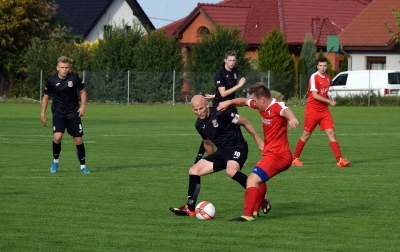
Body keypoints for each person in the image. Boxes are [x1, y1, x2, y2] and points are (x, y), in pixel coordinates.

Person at [170, 95, 266, 217]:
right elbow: (207, 143)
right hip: (222, 152)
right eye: (196, 110)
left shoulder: (221, 113)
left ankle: (261, 197)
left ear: (207, 104)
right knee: (194, 170)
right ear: (191, 109)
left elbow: (245, 122)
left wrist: (259, 141)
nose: (199, 112)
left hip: (238, 147)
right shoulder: (199, 124)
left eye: (201, 108)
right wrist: (211, 161)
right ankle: (190, 208)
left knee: (231, 171)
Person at [217, 82, 299, 222]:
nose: (253, 103)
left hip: (279, 155)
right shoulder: (260, 105)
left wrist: (292, 119)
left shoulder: (276, 106)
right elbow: (243, 101)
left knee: (252, 179)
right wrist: (228, 102)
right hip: (273, 153)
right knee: (258, 180)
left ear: (263, 99)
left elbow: (286, 110)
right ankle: (254, 211)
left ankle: (247, 215)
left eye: (255, 100)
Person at [292, 56, 350, 168]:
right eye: (320, 66)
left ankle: (340, 160)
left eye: (324, 66)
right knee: (306, 135)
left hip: (324, 111)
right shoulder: (314, 77)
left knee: (332, 133)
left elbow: (324, 93)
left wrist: (327, 101)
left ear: (327, 66)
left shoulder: (328, 77)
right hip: (312, 110)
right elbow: (314, 95)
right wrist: (329, 101)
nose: (322, 68)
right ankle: (295, 159)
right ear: (317, 66)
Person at [40, 56, 90, 174]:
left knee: (78, 140)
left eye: (66, 67)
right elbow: (46, 97)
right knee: (57, 138)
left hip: (73, 113)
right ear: (57, 68)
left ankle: (83, 166)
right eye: (62, 67)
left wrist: (83, 107)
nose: (64, 70)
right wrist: (43, 113)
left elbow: (82, 92)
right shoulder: (52, 81)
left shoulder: (74, 78)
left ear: (69, 68)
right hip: (58, 113)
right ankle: (55, 161)